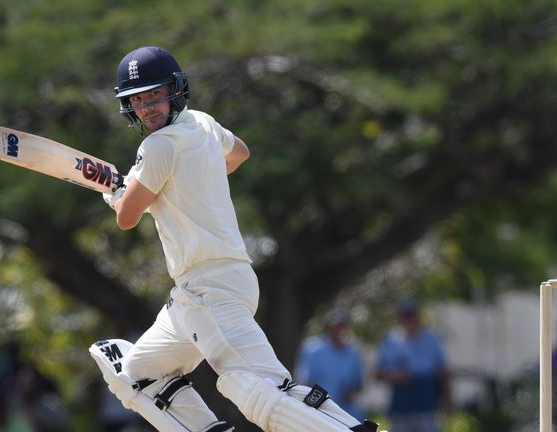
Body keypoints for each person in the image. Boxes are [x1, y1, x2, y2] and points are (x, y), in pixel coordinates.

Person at [89, 46, 380, 432]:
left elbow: (126, 217)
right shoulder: (203, 124)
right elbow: (239, 153)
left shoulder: (157, 146)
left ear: (174, 90)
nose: (147, 107)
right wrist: (189, 181)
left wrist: (115, 192)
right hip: (209, 290)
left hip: (208, 290)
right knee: (136, 375)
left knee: (258, 388)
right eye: (137, 99)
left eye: (154, 94)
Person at [374, 300, 450, 432]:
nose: (410, 319)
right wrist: (396, 376)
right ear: (400, 318)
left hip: (426, 404)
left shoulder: (431, 339)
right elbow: (378, 373)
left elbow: (443, 372)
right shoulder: (391, 340)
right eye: (406, 315)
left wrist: (448, 401)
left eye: (412, 315)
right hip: (401, 405)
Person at [295, 308, 366, 421]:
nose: (340, 329)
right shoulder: (313, 349)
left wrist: (351, 391)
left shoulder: (353, 353)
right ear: (328, 327)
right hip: (319, 413)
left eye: (343, 325)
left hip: (346, 414)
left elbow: (359, 384)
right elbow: (304, 382)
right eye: (336, 325)